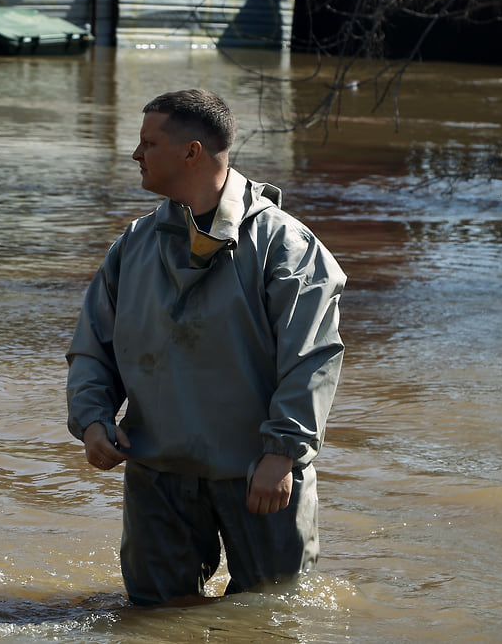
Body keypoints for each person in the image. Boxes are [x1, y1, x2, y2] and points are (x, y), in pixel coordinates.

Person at [65, 89, 346, 606]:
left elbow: (313, 359)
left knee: (269, 617)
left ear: (190, 152)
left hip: (259, 475)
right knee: (153, 619)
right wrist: (92, 419)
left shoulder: (287, 246)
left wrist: (282, 454)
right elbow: (93, 348)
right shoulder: (133, 246)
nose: (135, 154)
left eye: (148, 142)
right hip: (159, 473)